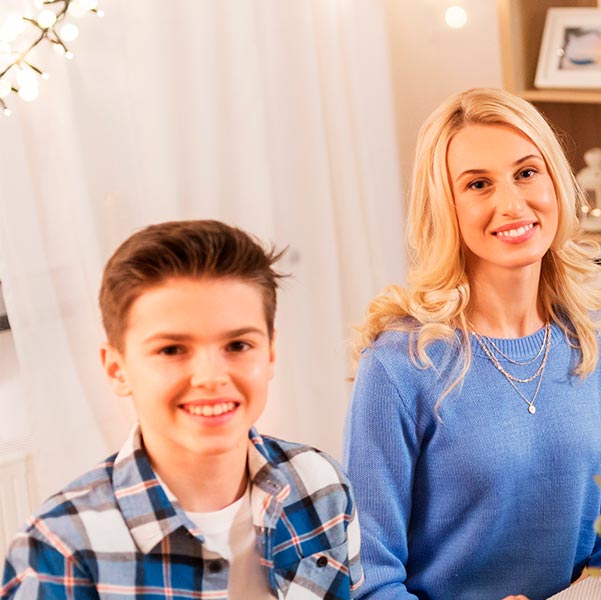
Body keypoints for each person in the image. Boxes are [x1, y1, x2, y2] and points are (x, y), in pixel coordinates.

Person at [345, 88, 601, 600]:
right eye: (479, 184)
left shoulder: (595, 336)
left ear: (555, 183)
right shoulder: (399, 364)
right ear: (446, 207)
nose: (511, 203)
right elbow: (370, 578)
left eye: (526, 173)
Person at [1, 220, 358, 598]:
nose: (210, 377)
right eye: (171, 350)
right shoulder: (59, 550)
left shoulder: (322, 486)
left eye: (237, 345)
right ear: (116, 369)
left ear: (270, 353)